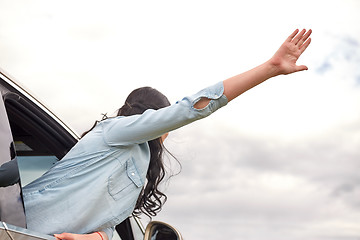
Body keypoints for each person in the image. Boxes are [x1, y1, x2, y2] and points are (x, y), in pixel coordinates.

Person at [21, 29, 312, 240]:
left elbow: (108, 221)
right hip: (19, 227)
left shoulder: (137, 163)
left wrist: (95, 238)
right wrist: (269, 68)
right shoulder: (115, 131)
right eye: (163, 124)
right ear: (155, 122)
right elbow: (191, 108)